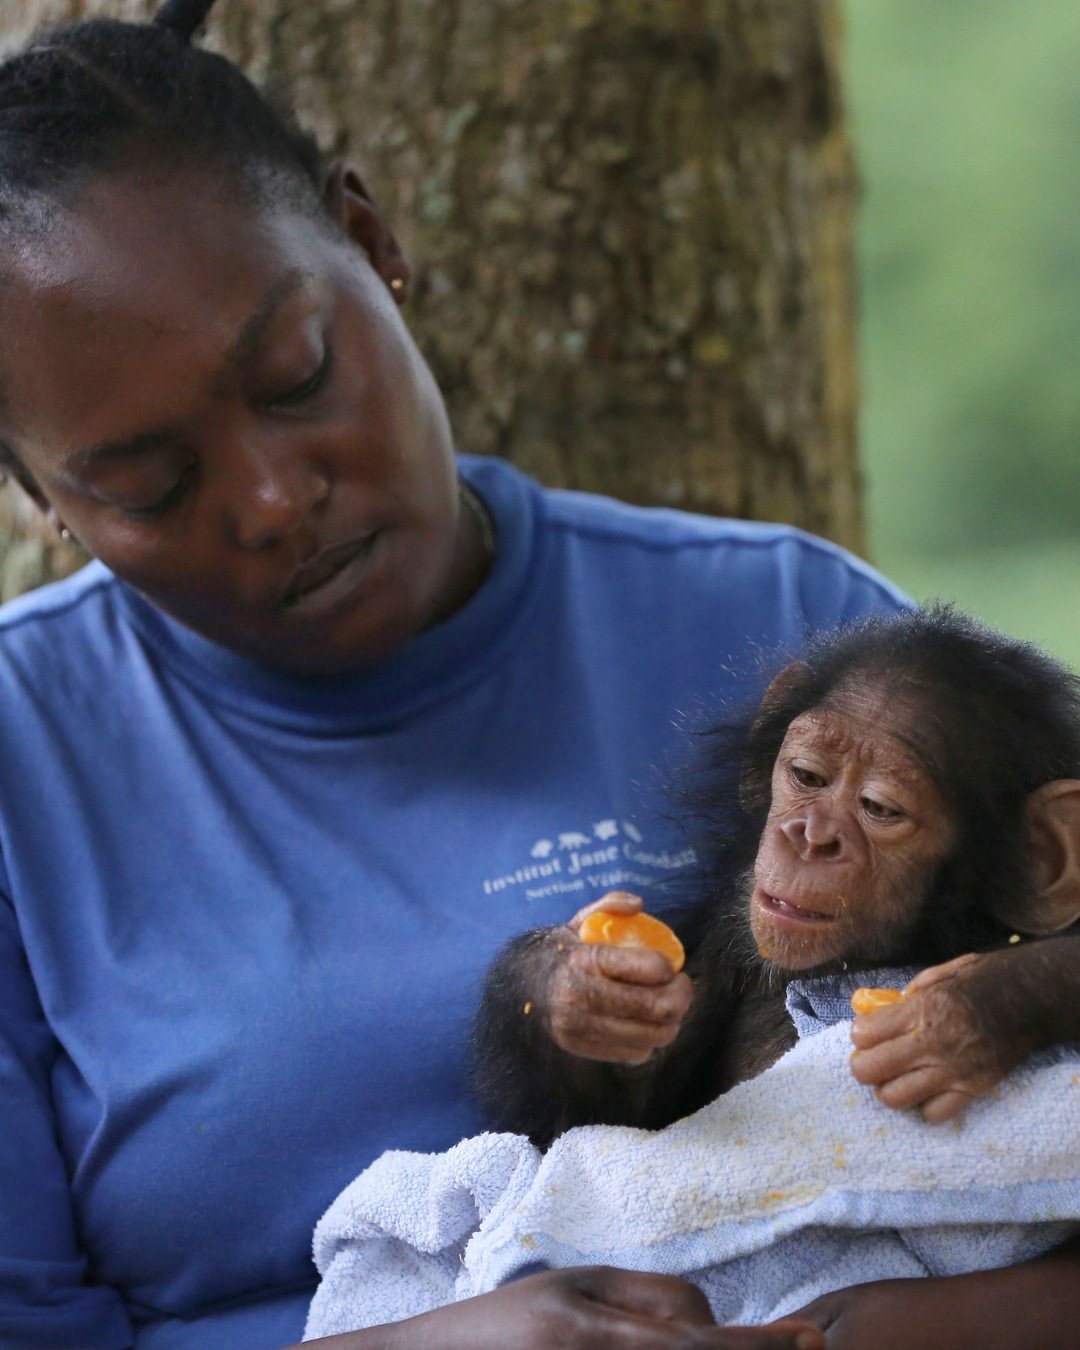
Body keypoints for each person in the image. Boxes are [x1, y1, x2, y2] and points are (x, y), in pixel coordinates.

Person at [0, 1, 1074, 1347]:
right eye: (150, 481)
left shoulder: (806, 640)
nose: (273, 499)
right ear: (39, 496)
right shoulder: (28, 759)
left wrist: (863, 1330)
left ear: (372, 242)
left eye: (298, 374)